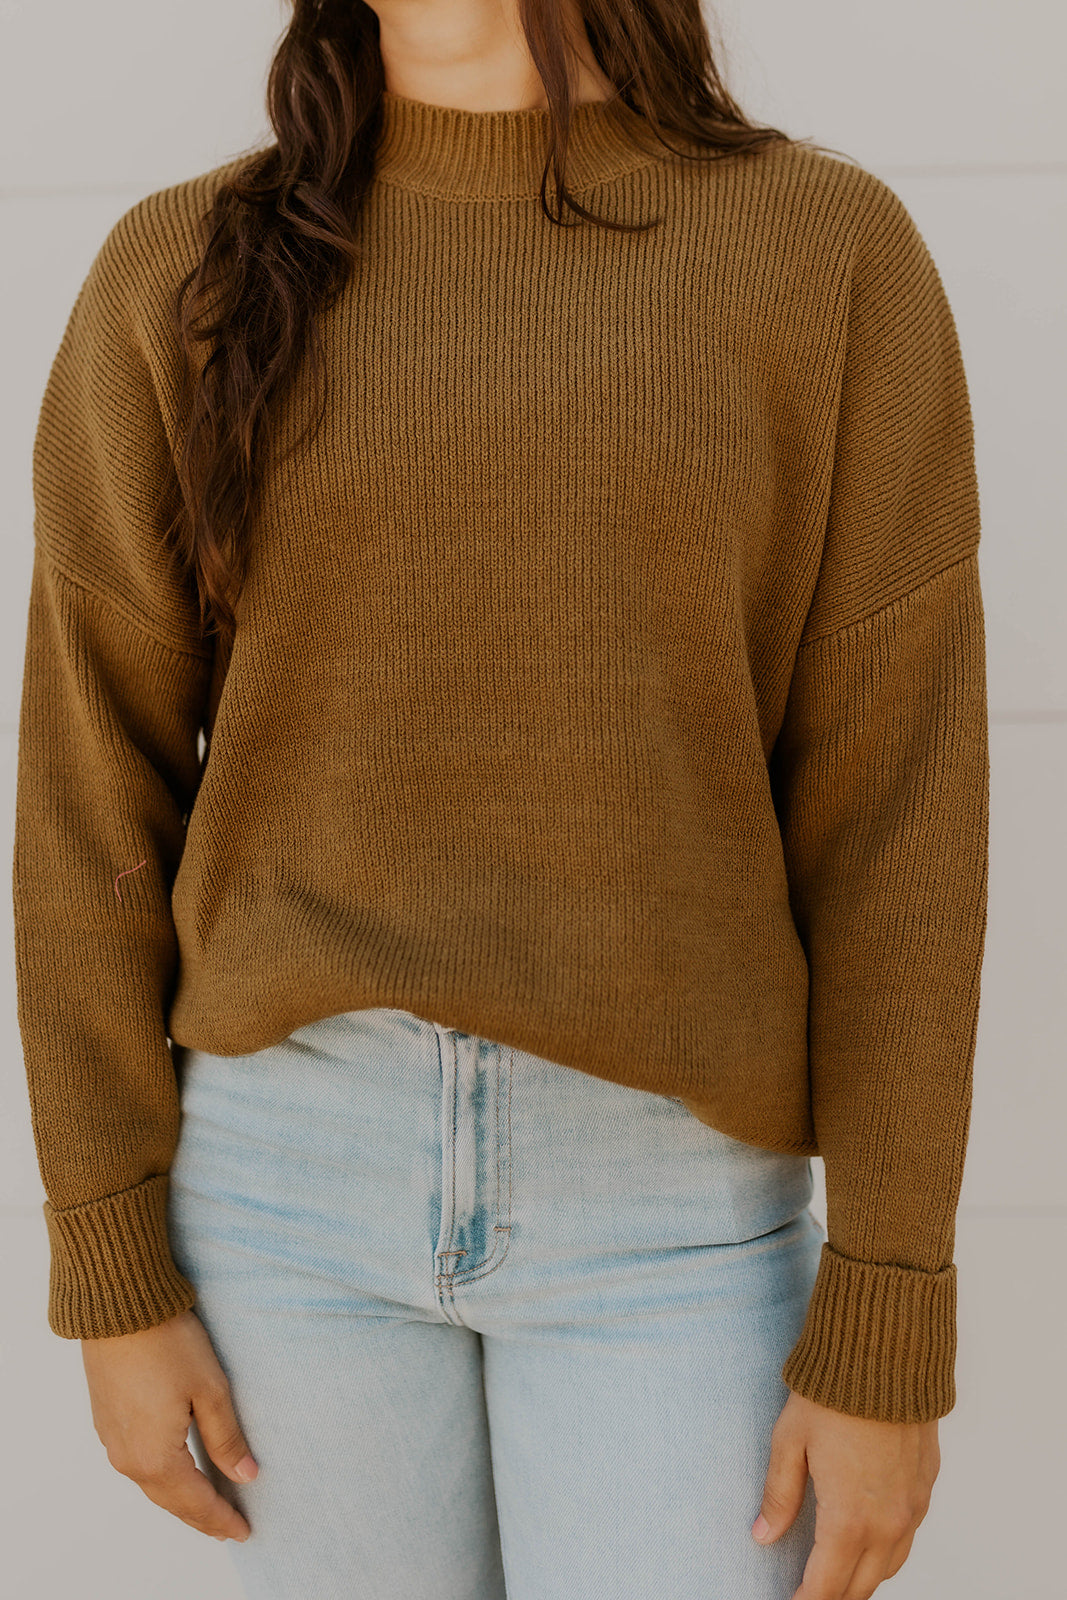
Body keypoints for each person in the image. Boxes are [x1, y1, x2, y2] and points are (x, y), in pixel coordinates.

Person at [12, 0, 988, 1596]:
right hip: (281, 1197)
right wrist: (111, 1266)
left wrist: (890, 1310)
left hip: (676, 1207)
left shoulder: (825, 257)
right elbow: (86, 795)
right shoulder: (179, 271)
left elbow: (900, 823)